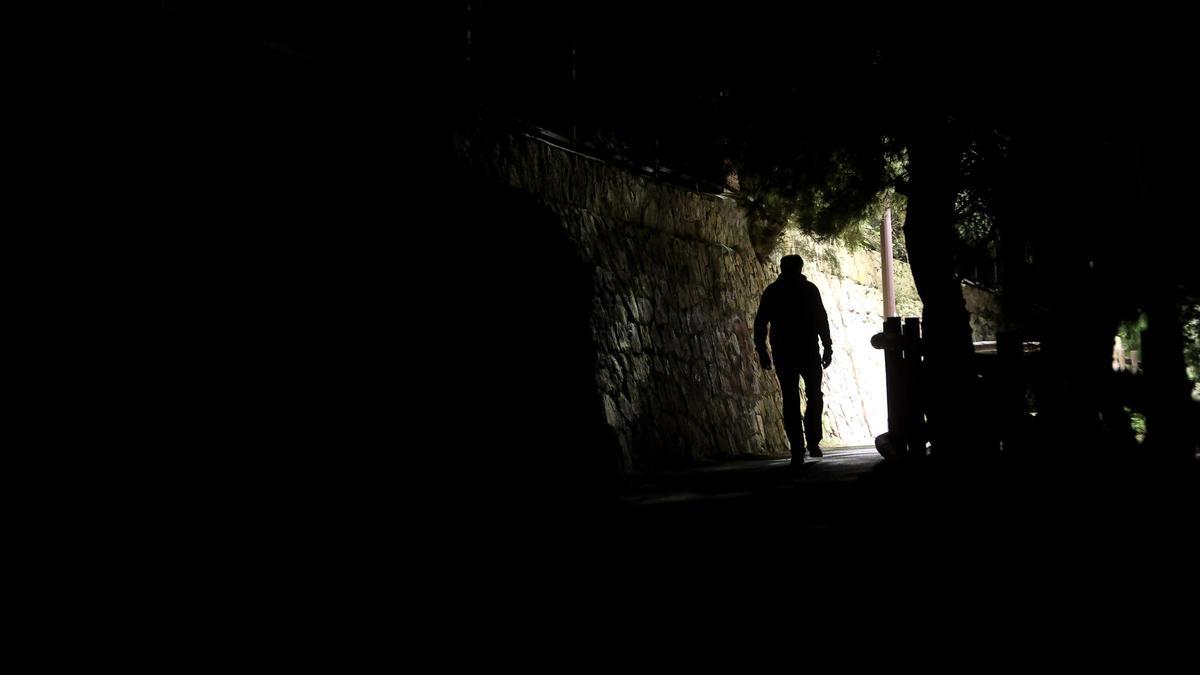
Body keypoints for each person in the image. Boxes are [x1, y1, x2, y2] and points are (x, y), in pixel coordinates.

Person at [754, 254, 833, 466]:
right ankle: (811, 441)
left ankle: (799, 446)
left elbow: (761, 322)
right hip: (807, 351)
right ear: (800, 268)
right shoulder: (809, 290)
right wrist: (827, 346)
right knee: (813, 395)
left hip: (784, 352)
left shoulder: (773, 291)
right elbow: (821, 319)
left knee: (791, 398)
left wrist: (762, 349)